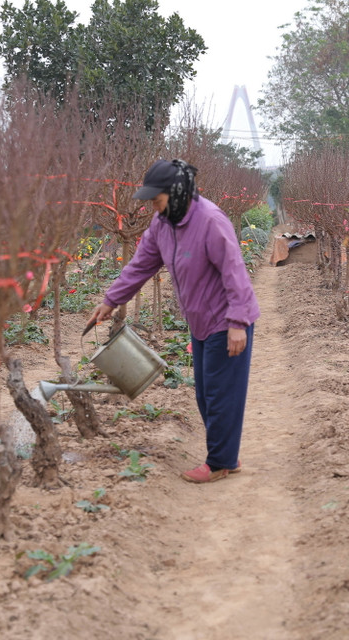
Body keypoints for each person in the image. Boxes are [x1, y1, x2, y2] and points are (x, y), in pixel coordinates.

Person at [85, 159, 260, 483]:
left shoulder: (210, 221)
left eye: (157, 199)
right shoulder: (162, 224)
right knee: (205, 394)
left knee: (220, 395)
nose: (153, 206)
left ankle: (220, 462)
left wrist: (238, 322)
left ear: (177, 192)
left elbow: (234, 272)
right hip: (200, 320)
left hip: (226, 319)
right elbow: (141, 265)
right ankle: (226, 455)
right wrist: (111, 300)